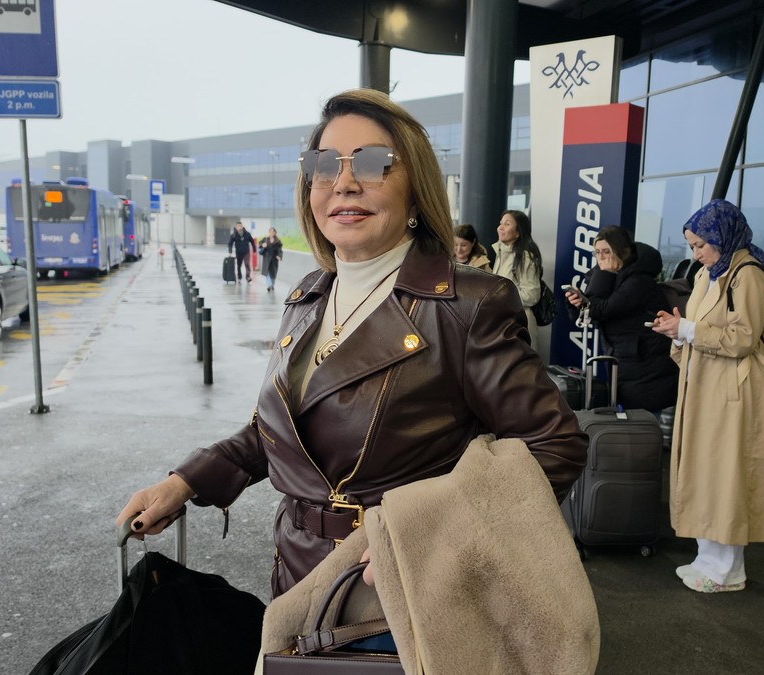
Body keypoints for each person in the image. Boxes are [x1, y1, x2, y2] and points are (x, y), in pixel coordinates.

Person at [118, 89, 586, 601]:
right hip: (296, 576)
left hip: (403, 599)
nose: (343, 182)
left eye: (372, 162)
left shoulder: (468, 304)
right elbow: (282, 434)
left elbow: (555, 446)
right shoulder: (309, 297)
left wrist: (433, 540)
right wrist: (184, 481)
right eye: (323, 165)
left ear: (415, 190)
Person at [649, 199, 764, 594]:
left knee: (728, 475)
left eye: (700, 245)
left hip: (734, 390)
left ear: (721, 238)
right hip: (707, 384)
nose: (696, 254)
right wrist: (678, 331)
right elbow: (699, 327)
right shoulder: (710, 274)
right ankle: (708, 559)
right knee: (706, 472)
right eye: (692, 246)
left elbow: (743, 338)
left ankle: (728, 570)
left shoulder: (748, 275)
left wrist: (687, 331)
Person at [564, 225, 677, 413]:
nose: (601, 258)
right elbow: (589, 313)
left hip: (647, 364)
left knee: (644, 421)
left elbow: (604, 310)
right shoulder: (610, 276)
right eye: (597, 252)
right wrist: (576, 304)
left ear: (623, 252)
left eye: (607, 252)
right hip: (626, 359)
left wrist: (603, 275)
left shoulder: (638, 279)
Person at [492, 210, 545, 352]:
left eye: (507, 224)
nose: (500, 228)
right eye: (501, 223)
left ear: (518, 232)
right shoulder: (501, 252)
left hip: (518, 324)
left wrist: (500, 296)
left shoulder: (525, 257)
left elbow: (531, 295)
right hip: (502, 323)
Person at [258, 227, 283, 292]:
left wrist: (279, 256)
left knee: (273, 273)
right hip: (266, 258)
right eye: (270, 232)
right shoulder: (265, 239)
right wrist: (262, 245)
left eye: (273, 232)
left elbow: (280, 250)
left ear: (275, 233)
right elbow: (260, 244)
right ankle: (269, 285)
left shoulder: (278, 241)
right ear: (269, 232)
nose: (271, 233)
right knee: (267, 273)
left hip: (274, 259)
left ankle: (272, 285)